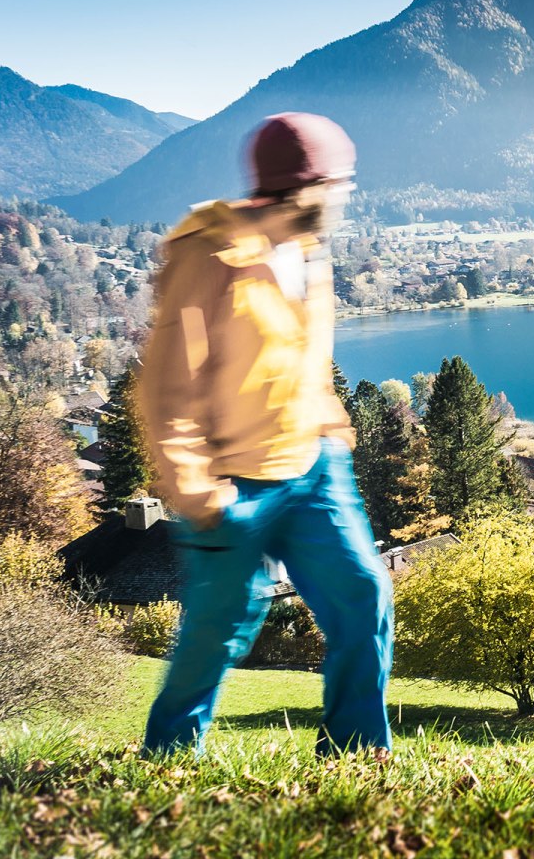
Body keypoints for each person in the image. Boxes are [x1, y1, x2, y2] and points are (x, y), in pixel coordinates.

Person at [137, 112, 391, 755]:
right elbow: (169, 387)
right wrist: (195, 488)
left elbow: (307, 356)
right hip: (234, 481)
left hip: (312, 466)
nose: (346, 196)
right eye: (339, 184)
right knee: (220, 628)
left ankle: (356, 755)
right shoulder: (210, 255)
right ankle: (167, 760)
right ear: (305, 187)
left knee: (363, 595)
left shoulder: (310, 252)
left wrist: (332, 429)